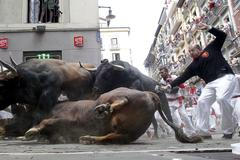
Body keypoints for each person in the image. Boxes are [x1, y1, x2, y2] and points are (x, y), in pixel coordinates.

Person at [165, 22, 237, 139]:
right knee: (202, 102)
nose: (190, 53)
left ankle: (228, 131)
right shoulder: (193, 65)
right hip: (210, 84)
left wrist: (209, 28)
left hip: (225, 77)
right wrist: (169, 86)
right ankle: (204, 132)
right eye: (189, 52)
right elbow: (182, 77)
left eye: (192, 50)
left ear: (199, 49)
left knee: (222, 98)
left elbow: (222, 35)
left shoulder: (211, 48)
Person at [159, 67, 197, 137]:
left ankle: (192, 132)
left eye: (162, 72)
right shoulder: (161, 81)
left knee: (184, 115)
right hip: (170, 101)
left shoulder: (173, 77)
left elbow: (182, 86)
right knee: (172, 117)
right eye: (160, 72)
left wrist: (173, 83)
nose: (161, 74)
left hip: (178, 99)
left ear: (167, 72)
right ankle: (180, 131)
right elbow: (163, 91)